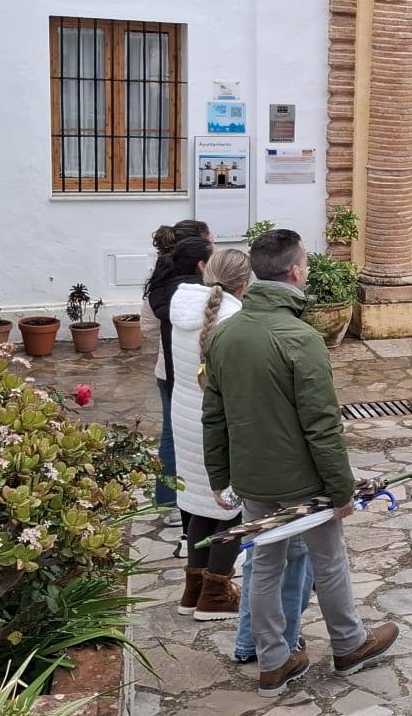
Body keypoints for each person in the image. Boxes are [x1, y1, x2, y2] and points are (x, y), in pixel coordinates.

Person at [203, 229, 399, 697]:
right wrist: (341, 488)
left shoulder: (225, 334)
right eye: (306, 265)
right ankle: (349, 643)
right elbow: (322, 425)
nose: (307, 271)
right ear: (294, 272)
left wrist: (219, 477)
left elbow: (214, 415)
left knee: (264, 566)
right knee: (329, 562)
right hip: (303, 483)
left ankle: (274, 661)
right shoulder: (300, 337)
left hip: (253, 479)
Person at [168, 247, 251, 621]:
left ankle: (193, 590)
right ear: (244, 283)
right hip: (217, 421)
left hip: (185, 415)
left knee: (200, 502)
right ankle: (216, 592)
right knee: (230, 505)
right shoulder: (234, 320)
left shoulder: (184, 308)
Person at [146, 224, 211, 521]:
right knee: (197, 435)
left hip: (167, 368)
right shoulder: (207, 292)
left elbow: (147, 327)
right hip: (196, 371)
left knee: (171, 435)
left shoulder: (159, 282)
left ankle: (167, 499)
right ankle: (197, 499)